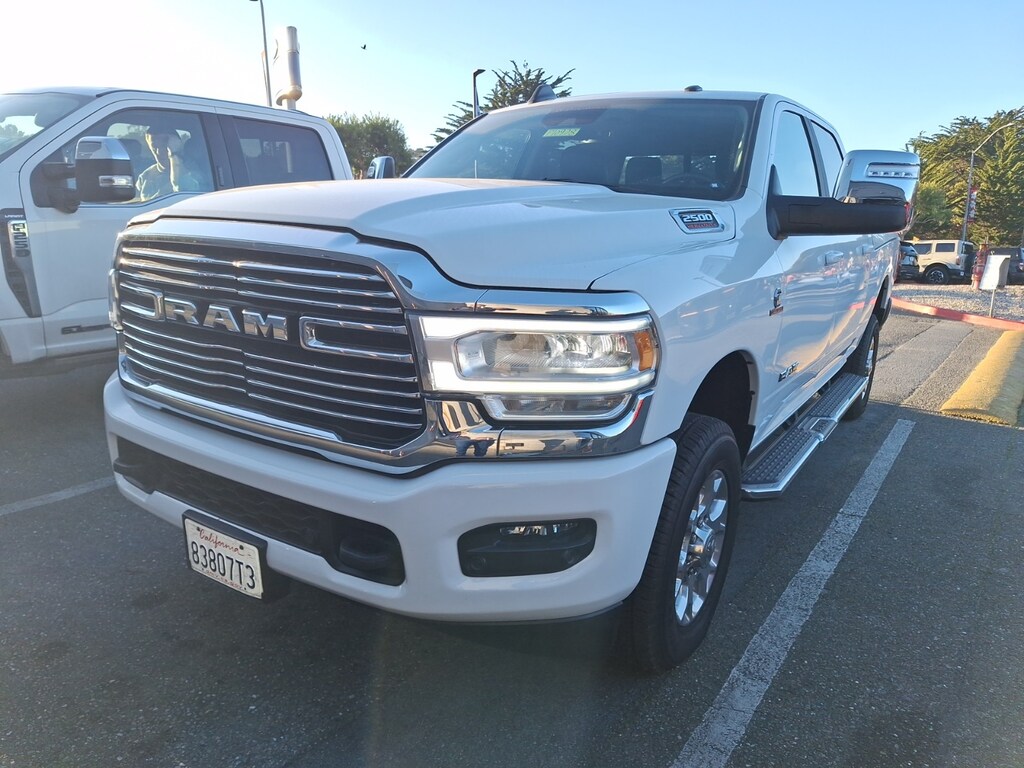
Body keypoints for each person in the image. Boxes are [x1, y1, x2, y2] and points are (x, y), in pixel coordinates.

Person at [136, 117, 203, 202]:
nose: (159, 152)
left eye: (164, 146)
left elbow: (182, 189)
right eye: (154, 147)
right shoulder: (145, 176)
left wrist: (174, 154)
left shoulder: (193, 171)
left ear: (175, 145)